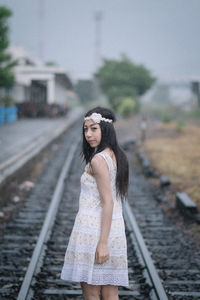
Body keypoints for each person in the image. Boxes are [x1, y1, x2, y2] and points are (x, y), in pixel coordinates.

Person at [61, 107, 129, 300]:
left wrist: (102, 243)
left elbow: (108, 202)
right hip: (113, 230)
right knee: (110, 293)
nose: (88, 134)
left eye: (94, 129)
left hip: (95, 233)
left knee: (91, 294)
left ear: (105, 130)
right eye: (85, 129)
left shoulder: (98, 160)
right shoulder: (116, 154)